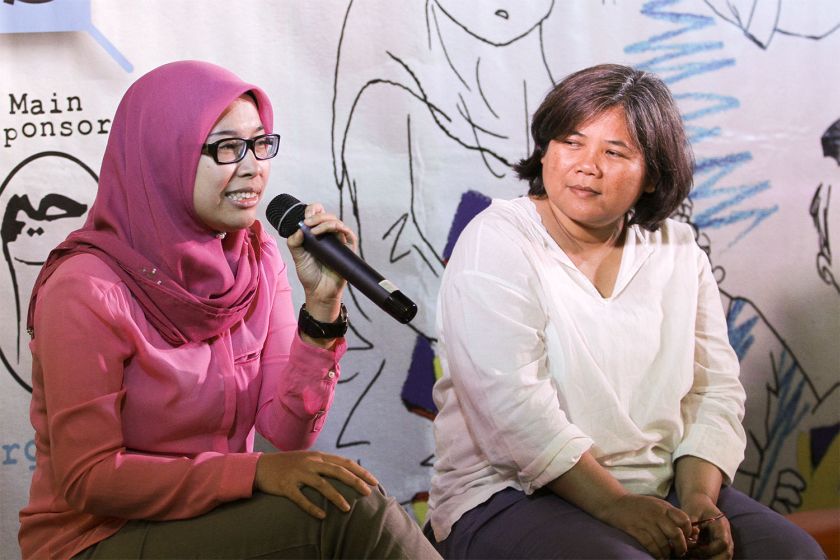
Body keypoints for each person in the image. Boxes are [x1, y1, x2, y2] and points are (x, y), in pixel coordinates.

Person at [18, 60, 440, 560]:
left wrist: (322, 309)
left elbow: (285, 433)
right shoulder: (86, 287)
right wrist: (253, 472)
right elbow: (88, 478)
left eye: (261, 144)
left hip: (213, 514)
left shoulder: (255, 260)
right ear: (160, 157)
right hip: (96, 538)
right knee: (351, 509)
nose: (253, 166)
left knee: (346, 499)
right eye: (225, 148)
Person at [424, 63, 825, 559]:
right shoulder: (497, 239)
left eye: (614, 152)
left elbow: (713, 391)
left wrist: (700, 499)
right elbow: (512, 409)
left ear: (653, 176)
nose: (586, 165)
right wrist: (616, 506)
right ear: (545, 148)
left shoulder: (679, 250)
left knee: (793, 554)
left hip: (661, 487)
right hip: (508, 493)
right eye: (571, 142)